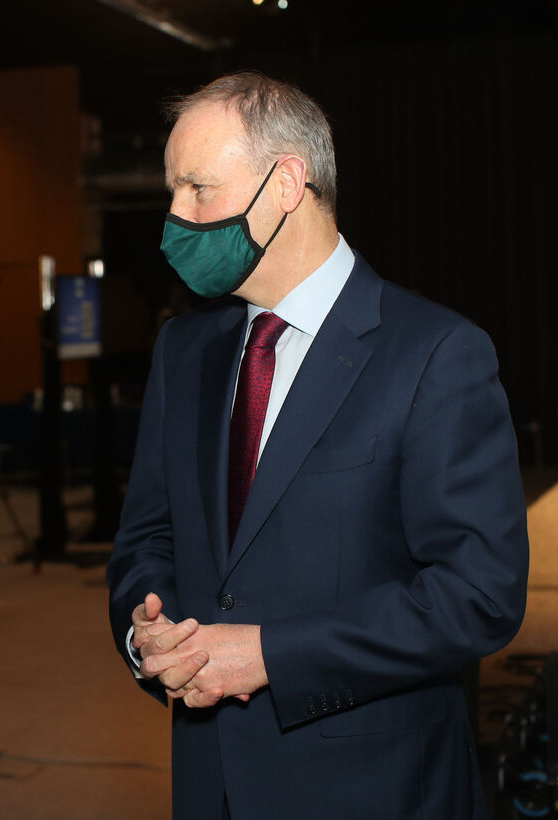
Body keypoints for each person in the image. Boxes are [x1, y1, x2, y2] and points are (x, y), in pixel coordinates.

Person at [106, 72, 529, 820]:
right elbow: (147, 537)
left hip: (373, 789)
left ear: (286, 183)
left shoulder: (435, 353)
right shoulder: (183, 351)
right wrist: (149, 635)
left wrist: (270, 655)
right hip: (212, 785)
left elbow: (478, 595)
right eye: (173, 192)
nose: (176, 216)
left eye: (198, 188)